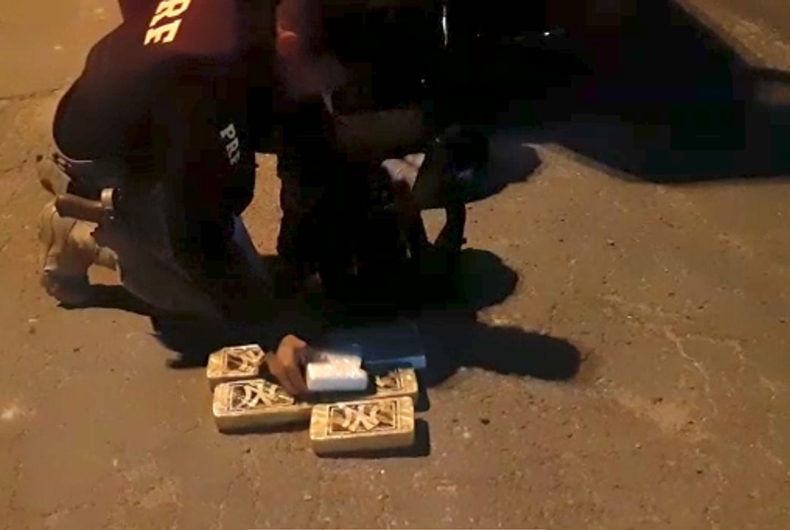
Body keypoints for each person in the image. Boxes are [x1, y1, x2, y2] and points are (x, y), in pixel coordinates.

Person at [37, 0, 344, 396]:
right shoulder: (199, 81)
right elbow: (196, 237)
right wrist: (274, 334)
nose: (333, 93)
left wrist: (305, 247)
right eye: (331, 81)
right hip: (106, 157)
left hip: (145, 99)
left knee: (300, 117)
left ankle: (151, 225)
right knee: (215, 299)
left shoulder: (257, 22)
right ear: (289, 43)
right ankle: (86, 232)